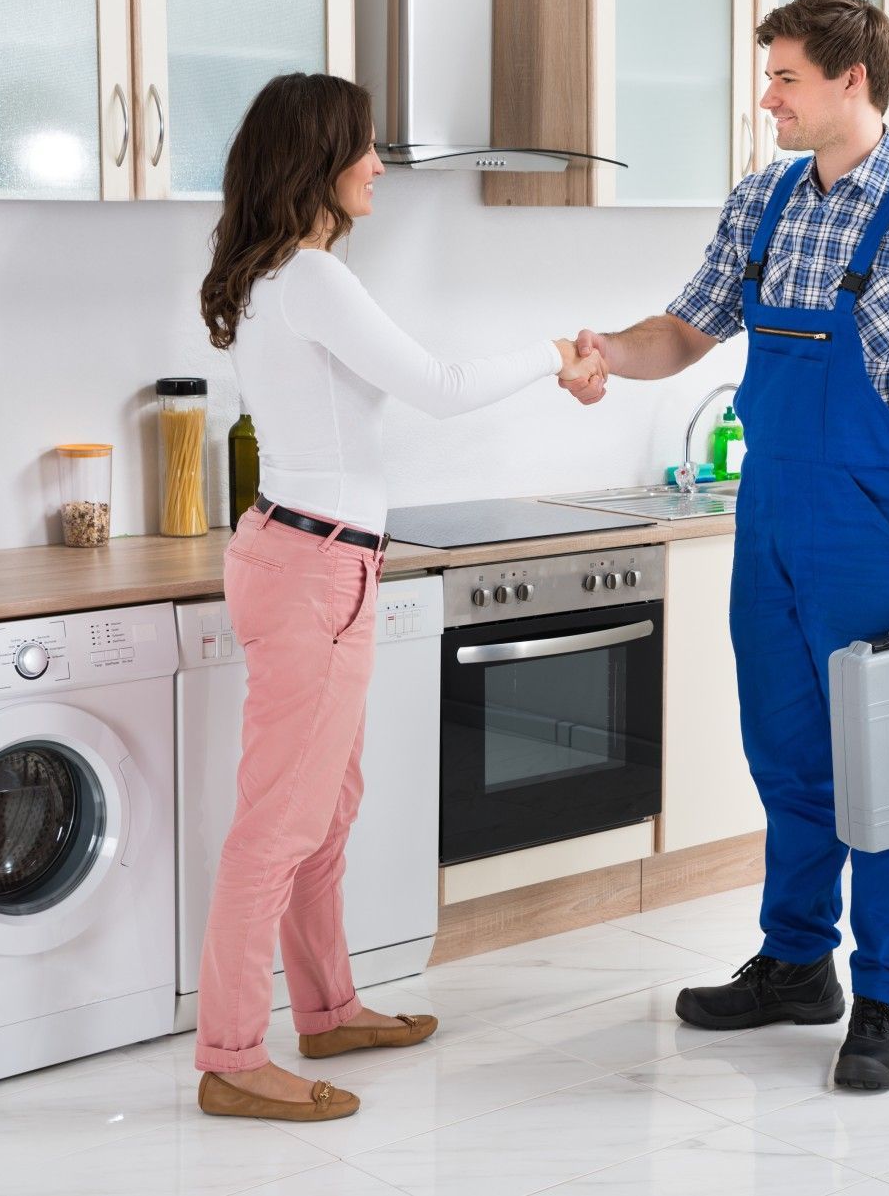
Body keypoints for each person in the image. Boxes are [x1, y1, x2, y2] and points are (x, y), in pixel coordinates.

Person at [559, 0, 889, 1091]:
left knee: (884, 775)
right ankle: (799, 963)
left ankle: (886, 995)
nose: (768, 99)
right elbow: (688, 328)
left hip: (877, 533)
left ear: (854, 81)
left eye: (787, 77)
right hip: (772, 525)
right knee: (789, 759)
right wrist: (609, 353)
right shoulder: (762, 202)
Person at [192, 72, 606, 1123]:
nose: (380, 165)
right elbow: (442, 385)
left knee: (324, 810)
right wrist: (557, 354)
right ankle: (233, 1055)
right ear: (320, 160)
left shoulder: (271, 273)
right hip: (315, 569)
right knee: (277, 826)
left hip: (310, 557)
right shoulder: (312, 277)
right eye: (367, 148)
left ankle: (328, 1008)